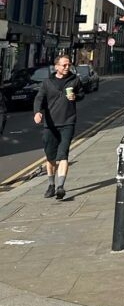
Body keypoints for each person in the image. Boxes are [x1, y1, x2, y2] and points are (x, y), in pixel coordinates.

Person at [33, 54, 81, 200]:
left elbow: (82, 94)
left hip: (68, 122)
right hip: (50, 124)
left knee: (63, 154)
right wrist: (37, 113)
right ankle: (51, 184)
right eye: (64, 65)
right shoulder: (47, 83)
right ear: (57, 66)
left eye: (69, 65)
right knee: (50, 157)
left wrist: (76, 97)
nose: (67, 67)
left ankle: (61, 186)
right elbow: (39, 99)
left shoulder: (75, 80)